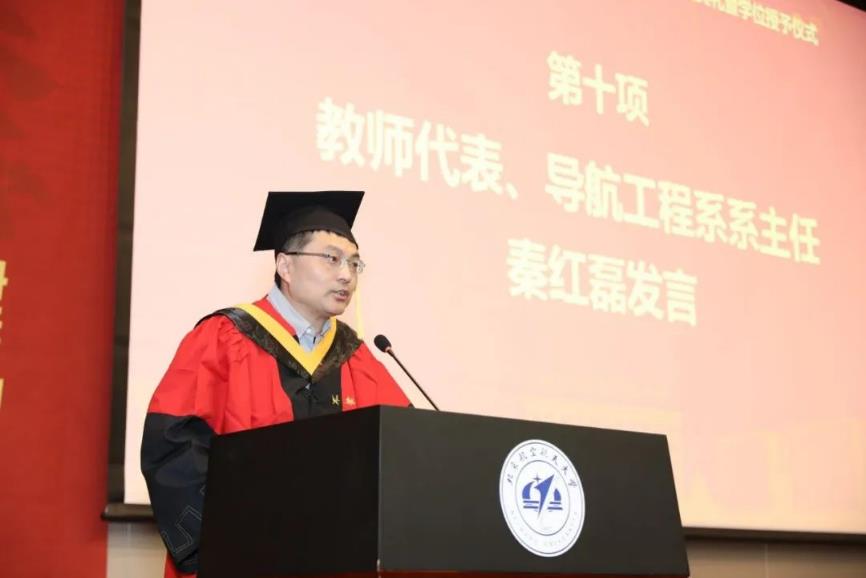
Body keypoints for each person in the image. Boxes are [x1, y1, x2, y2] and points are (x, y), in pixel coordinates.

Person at [141, 191, 410, 578]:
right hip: (243, 561)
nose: (347, 275)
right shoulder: (223, 338)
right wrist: (226, 541)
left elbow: (401, 450)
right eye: (332, 258)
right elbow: (172, 445)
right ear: (285, 265)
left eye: (354, 263)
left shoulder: (357, 358)